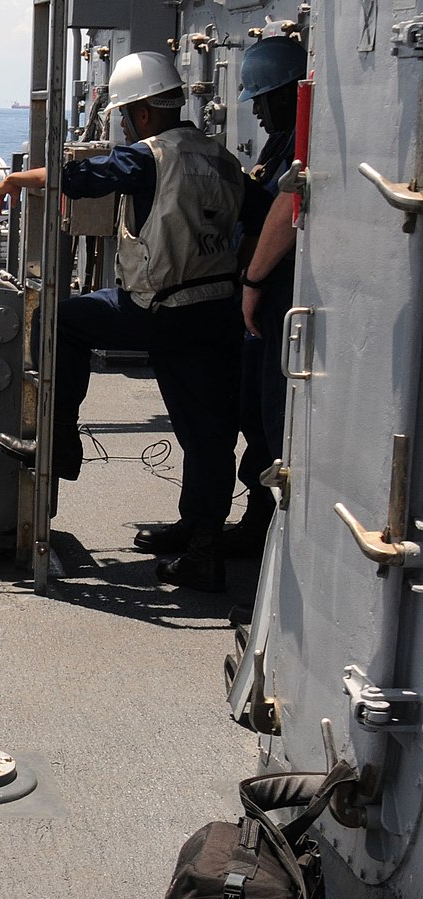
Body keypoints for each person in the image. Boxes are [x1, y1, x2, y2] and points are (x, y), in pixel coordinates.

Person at [0, 51, 253, 591]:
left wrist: (19, 180)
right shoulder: (224, 161)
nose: (128, 127)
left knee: (64, 321)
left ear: (145, 114)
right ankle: (201, 542)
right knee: (207, 434)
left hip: (157, 309)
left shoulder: (151, 156)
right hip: (215, 313)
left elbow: (83, 177)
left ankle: (58, 444)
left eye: (128, 116)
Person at [228, 35, 307, 557]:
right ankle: (256, 527)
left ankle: (266, 545)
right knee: (255, 415)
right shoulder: (282, 142)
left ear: (289, 94)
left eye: (262, 98)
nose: (255, 111)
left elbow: (283, 208)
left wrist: (251, 283)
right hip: (266, 304)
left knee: (274, 423)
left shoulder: (302, 146)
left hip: (278, 298)